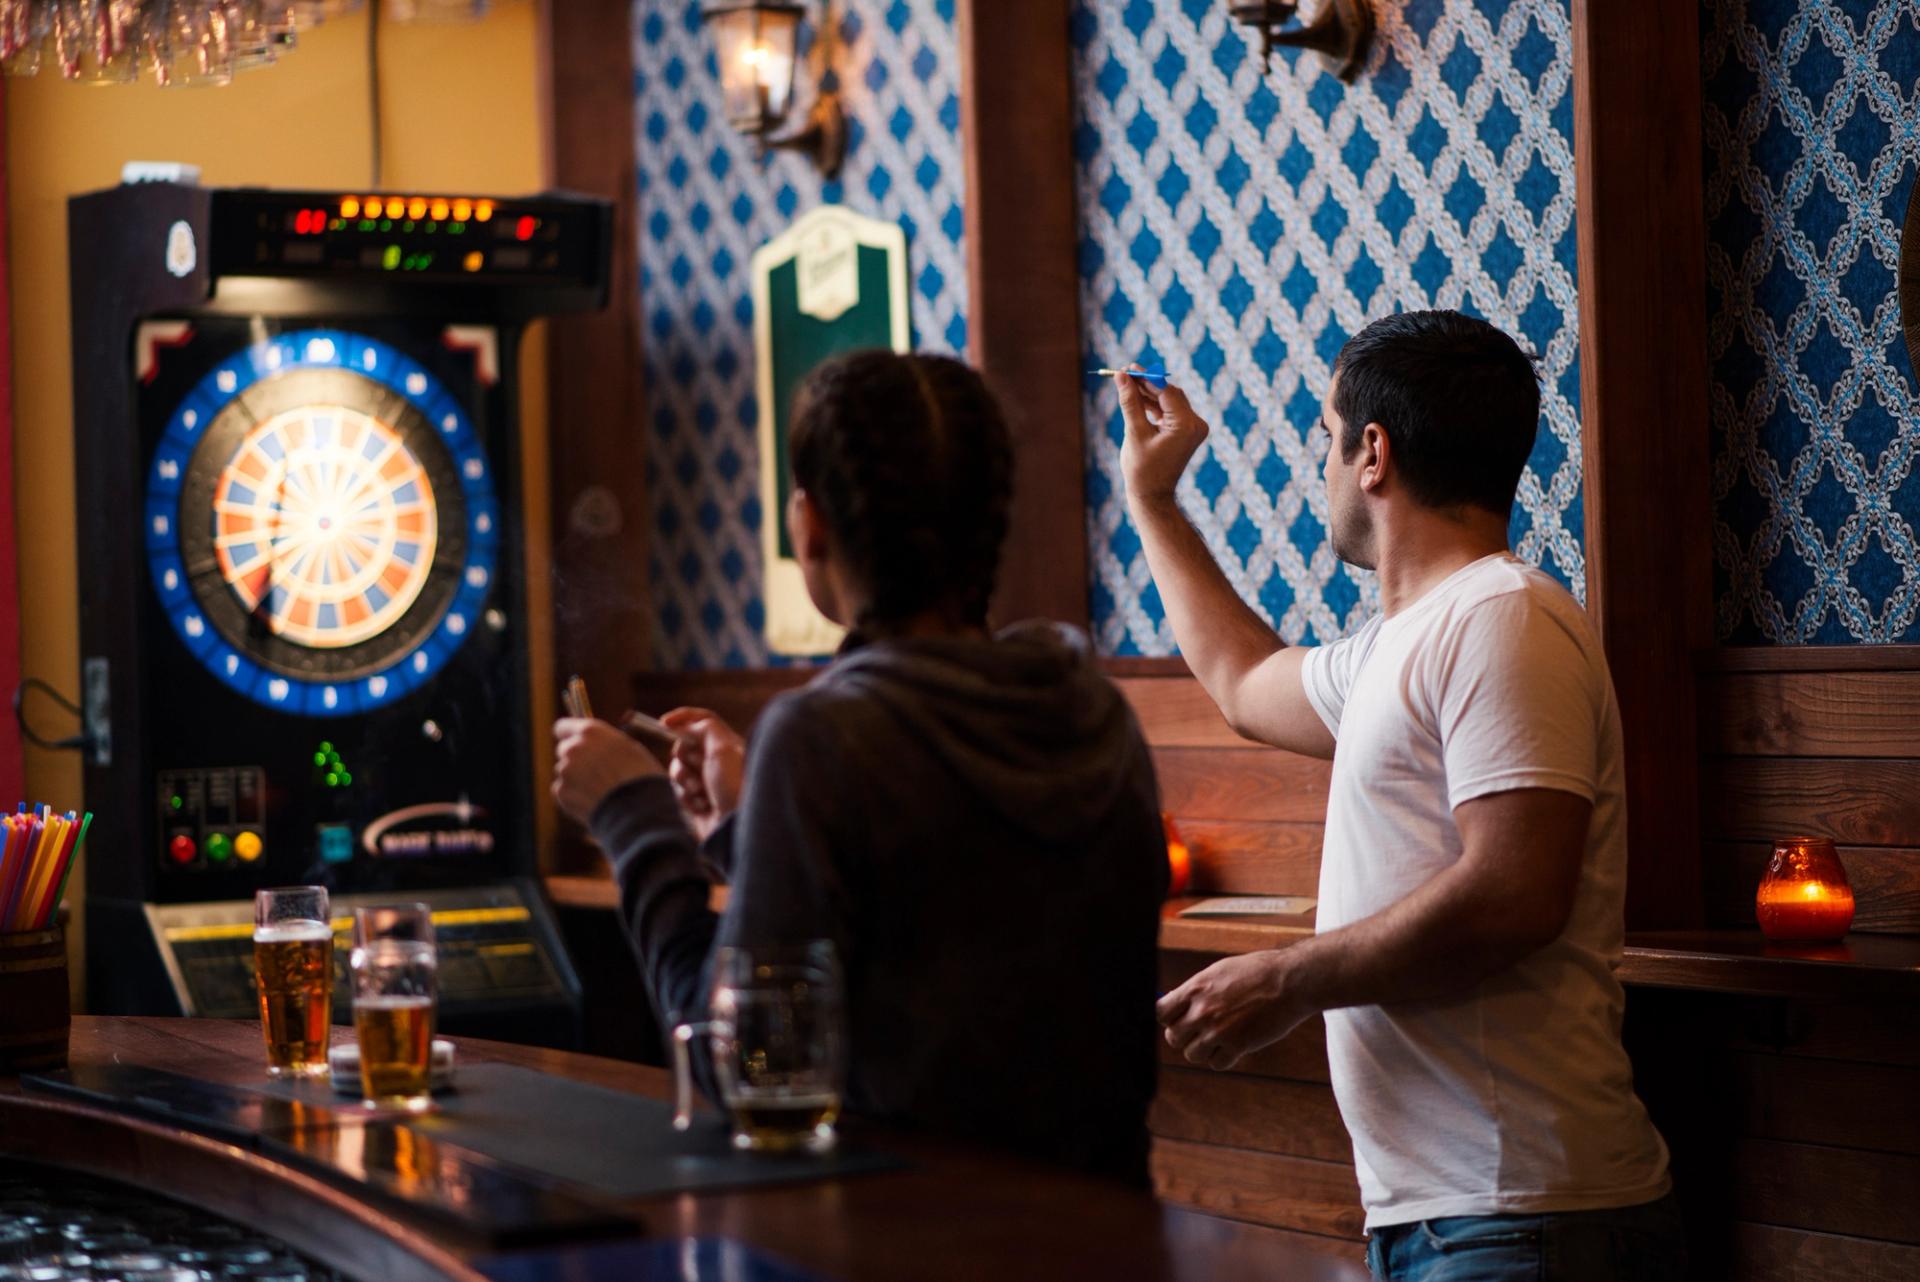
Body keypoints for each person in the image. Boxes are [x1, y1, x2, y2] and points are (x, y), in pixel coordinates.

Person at [1117, 311, 1682, 1279]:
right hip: (1455, 1218)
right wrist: (1154, 502)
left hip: (1520, 1213)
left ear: (1371, 451)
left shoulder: (1503, 620)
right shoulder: (1405, 642)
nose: (1323, 467)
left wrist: (1286, 978)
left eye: (1327, 436)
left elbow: (1516, 893)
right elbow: (1246, 686)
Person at [553, 349, 1168, 1185]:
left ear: (809, 525)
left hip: (907, 1240)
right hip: (1106, 1233)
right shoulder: (1092, 711)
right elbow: (923, 937)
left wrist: (633, 818)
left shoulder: (825, 735)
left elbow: (746, 1065)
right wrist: (745, 828)